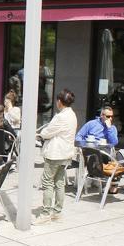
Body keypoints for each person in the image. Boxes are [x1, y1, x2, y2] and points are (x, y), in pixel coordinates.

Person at [35, 89, 77, 225]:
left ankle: (46, 213)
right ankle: (57, 212)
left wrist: (41, 133)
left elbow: (47, 132)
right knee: (59, 182)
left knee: (47, 182)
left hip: (55, 153)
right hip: (66, 153)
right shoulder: (72, 115)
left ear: (59, 101)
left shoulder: (61, 117)